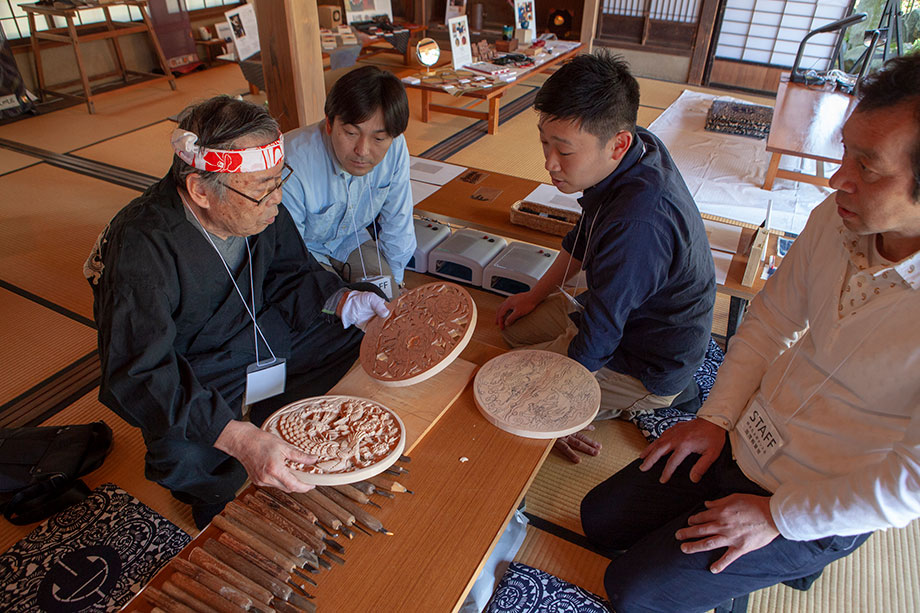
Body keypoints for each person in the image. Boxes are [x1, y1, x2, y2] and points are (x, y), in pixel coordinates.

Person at [580, 54, 920, 612]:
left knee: (631, 592)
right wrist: (714, 420)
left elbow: (909, 485)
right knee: (600, 519)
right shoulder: (834, 218)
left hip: (815, 496)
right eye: (845, 152)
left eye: (869, 166)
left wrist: (778, 517)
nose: (839, 179)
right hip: (745, 436)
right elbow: (768, 322)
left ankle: (801, 552)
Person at [86, 97, 390, 528]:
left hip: (261, 328)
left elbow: (291, 274)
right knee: (185, 448)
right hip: (199, 363)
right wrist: (236, 436)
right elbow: (138, 371)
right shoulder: (141, 248)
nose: (277, 198)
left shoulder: (261, 205)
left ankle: (283, 418)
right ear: (200, 190)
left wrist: (343, 301)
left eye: (278, 179)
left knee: (356, 334)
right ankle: (217, 493)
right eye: (261, 187)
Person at [495, 50, 716, 462]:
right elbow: (583, 234)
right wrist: (535, 295)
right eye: (545, 144)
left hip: (646, 358)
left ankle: (642, 400)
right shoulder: (637, 149)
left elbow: (602, 331)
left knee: (511, 392)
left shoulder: (639, 225)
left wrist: (560, 410)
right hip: (623, 307)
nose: (549, 163)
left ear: (618, 144)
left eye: (564, 151)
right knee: (511, 334)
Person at [282, 65, 415, 296]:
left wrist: (396, 286)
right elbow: (287, 256)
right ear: (330, 123)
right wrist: (339, 300)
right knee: (332, 317)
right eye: (351, 133)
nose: (362, 150)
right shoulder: (292, 163)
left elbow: (398, 220)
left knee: (385, 302)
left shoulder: (395, 147)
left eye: (379, 138)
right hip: (305, 249)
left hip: (350, 239)